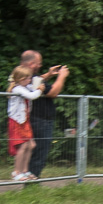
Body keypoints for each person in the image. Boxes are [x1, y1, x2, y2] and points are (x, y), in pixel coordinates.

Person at [20, 50, 70, 179]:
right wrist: (61, 76)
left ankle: (31, 180)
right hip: (40, 119)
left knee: (34, 151)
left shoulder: (22, 76)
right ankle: (32, 183)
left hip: (34, 118)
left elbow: (35, 82)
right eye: (38, 63)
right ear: (31, 63)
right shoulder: (29, 77)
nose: (40, 66)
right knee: (39, 152)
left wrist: (49, 74)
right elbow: (52, 93)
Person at [7, 65, 43, 181]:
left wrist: (39, 84)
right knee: (22, 146)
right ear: (22, 79)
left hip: (24, 121)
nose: (30, 80)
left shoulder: (25, 87)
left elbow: (32, 88)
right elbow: (32, 95)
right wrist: (40, 90)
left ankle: (25, 171)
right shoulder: (17, 89)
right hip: (17, 121)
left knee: (31, 145)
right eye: (28, 78)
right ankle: (16, 172)